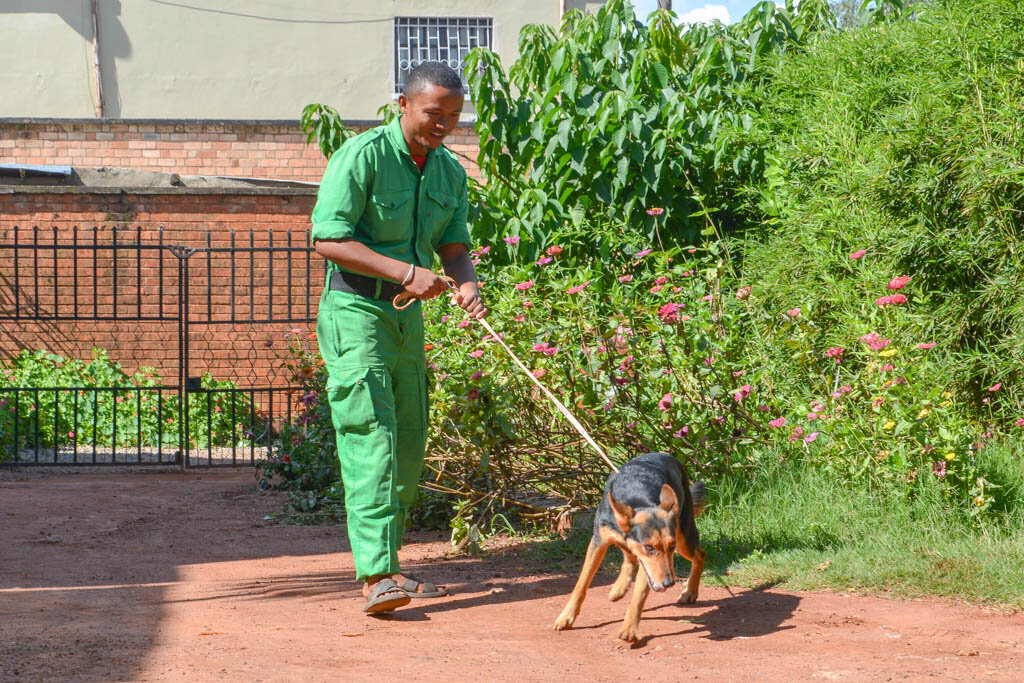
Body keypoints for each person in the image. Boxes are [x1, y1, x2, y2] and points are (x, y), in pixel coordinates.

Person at [311, 62, 487, 613]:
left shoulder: (448, 173)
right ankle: (376, 577)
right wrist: (406, 272)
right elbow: (328, 237)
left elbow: (453, 245)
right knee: (373, 437)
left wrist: (467, 283)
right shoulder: (361, 156)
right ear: (404, 105)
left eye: (454, 117)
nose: (443, 126)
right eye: (435, 113)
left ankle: (390, 565)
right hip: (356, 310)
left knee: (409, 440)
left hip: (408, 319)